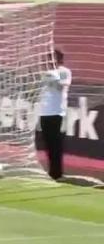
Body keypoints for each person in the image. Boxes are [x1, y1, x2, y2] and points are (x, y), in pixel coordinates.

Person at [39, 49, 71, 180]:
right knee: (47, 143)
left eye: (51, 58)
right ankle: (51, 171)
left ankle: (58, 173)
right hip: (44, 111)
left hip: (58, 112)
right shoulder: (45, 73)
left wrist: (53, 77)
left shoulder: (64, 71)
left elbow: (62, 86)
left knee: (56, 143)